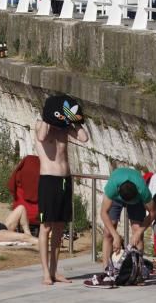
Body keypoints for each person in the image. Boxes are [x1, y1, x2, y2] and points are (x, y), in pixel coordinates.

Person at [35, 94, 89, 285]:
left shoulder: (65, 129)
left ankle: (54, 270)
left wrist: (75, 119)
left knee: (59, 227)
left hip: (65, 181)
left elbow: (84, 138)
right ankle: (45, 273)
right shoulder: (42, 126)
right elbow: (41, 136)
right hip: (48, 180)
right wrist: (47, 116)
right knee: (46, 226)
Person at [101, 166, 156, 278]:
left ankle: (138, 271)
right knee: (108, 232)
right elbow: (103, 212)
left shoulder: (142, 190)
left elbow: (153, 212)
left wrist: (138, 232)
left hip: (136, 200)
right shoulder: (113, 186)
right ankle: (106, 270)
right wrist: (115, 235)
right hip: (116, 198)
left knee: (137, 232)